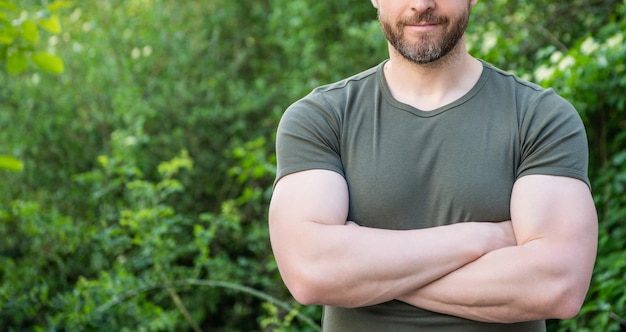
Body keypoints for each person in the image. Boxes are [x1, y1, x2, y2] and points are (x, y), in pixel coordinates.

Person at [268, 0, 598, 330]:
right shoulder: (322, 119)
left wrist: (366, 273)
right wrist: (481, 238)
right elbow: (311, 272)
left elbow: (556, 287)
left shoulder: (539, 117)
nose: (422, 4)